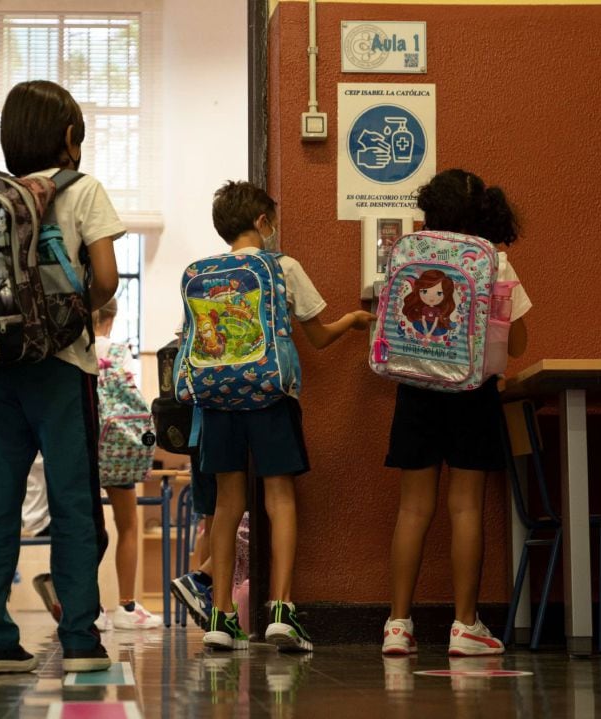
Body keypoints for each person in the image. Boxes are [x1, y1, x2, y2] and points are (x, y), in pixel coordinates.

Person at [0, 80, 123, 675]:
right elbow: (104, 277)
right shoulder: (83, 191)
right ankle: (80, 637)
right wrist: (81, 304)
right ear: (70, 138)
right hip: (60, 367)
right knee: (73, 501)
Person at [197, 181, 374, 653]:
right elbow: (316, 336)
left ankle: (220, 617)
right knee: (280, 497)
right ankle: (280, 611)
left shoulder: (204, 272)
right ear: (262, 222)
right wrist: (353, 322)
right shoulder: (282, 266)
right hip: (271, 394)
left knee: (226, 504)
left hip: (217, 399)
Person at [381, 169, 531, 657]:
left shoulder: (409, 254)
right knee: (465, 508)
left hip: (415, 389)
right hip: (473, 394)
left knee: (412, 509)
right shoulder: (496, 262)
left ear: (429, 210)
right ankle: (465, 627)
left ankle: (398, 625)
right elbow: (518, 341)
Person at [93, 299, 163, 630]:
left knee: (84, 528)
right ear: (112, 317)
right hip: (118, 448)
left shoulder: (75, 349)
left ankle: (88, 606)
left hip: (81, 444)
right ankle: (126, 607)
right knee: (128, 525)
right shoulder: (120, 352)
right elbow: (136, 398)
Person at [170, 468, 216, 629]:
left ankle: (209, 600)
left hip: (199, 450)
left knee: (212, 523)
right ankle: (201, 579)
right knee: (236, 517)